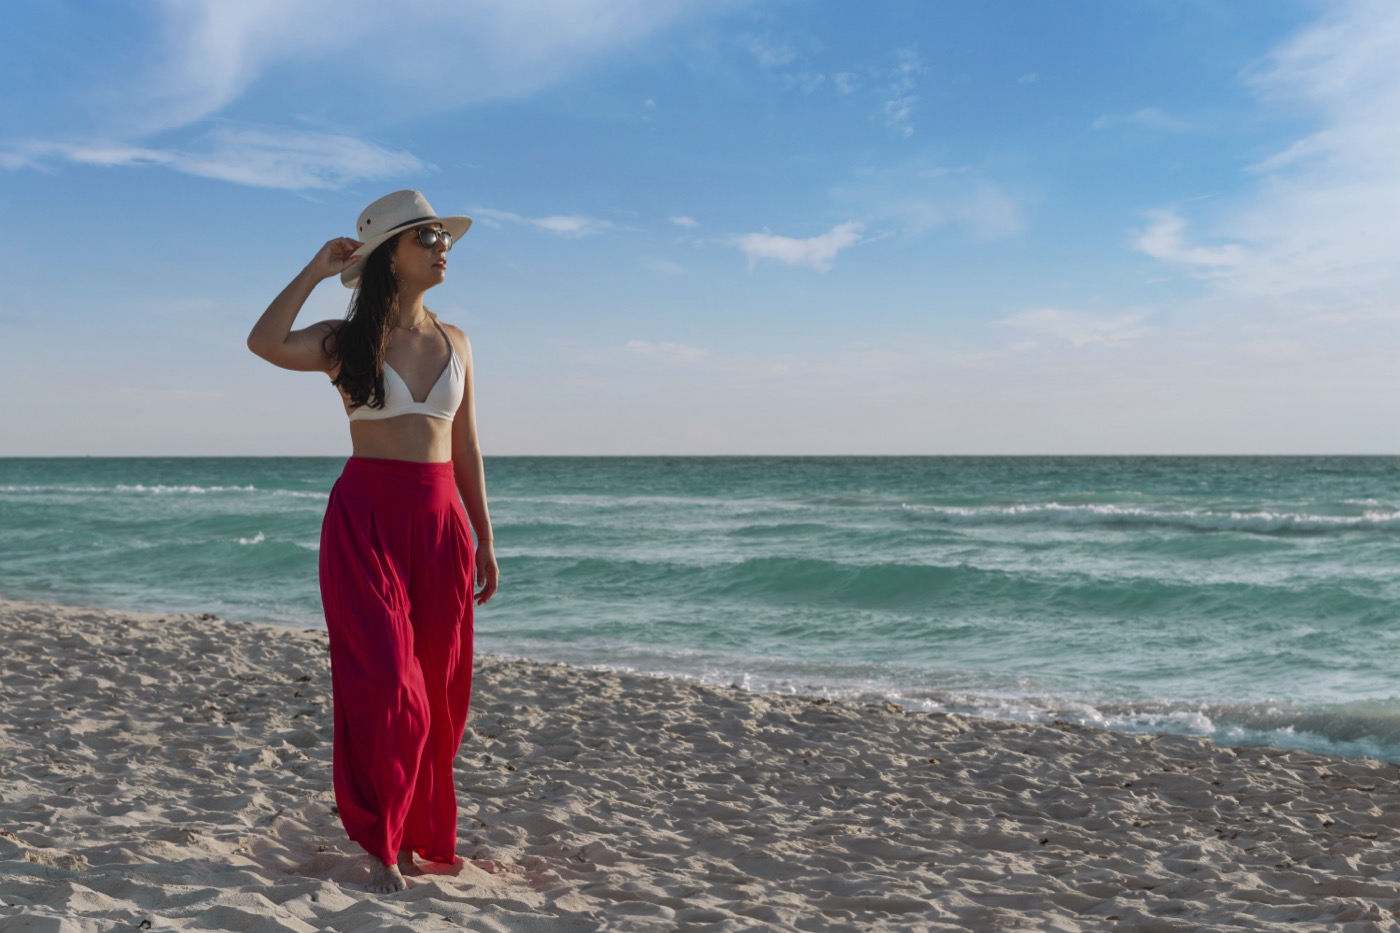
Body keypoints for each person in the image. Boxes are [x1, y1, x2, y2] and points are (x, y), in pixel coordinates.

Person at [247, 190, 499, 893]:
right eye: (428, 237)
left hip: (442, 522)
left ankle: (418, 837)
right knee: (391, 682)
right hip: (366, 523)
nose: (442, 247)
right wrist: (314, 269)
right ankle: (382, 841)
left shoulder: (460, 341)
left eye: (443, 237)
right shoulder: (344, 341)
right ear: (392, 254)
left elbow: (468, 444)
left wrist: (485, 535)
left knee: (442, 695)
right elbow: (264, 342)